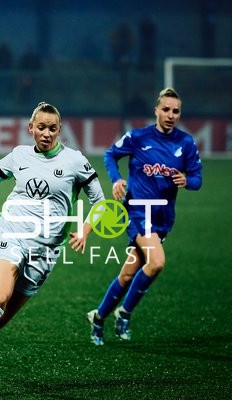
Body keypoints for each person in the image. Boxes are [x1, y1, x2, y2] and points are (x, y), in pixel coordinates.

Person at [0, 101, 105, 394]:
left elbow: (99, 202)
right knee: (0, 297)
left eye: (52, 128)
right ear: (31, 129)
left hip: (46, 250)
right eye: (41, 127)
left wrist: (85, 229)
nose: (46, 133)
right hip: (11, 233)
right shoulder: (19, 156)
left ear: (60, 130)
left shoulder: (75, 161)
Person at [86, 87, 202, 345]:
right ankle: (125, 313)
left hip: (162, 218)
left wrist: (187, 180)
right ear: (156, 111)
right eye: (166, 110)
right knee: (157, 262)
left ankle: (98, 317)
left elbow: (197, 179)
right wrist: (116, 180)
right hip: (138, 212)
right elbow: (110, 155)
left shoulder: (186, 143)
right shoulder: (138, 137)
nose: (171, 115)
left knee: (128, 274)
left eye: (176, 111)